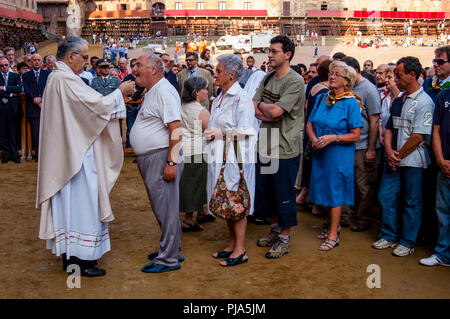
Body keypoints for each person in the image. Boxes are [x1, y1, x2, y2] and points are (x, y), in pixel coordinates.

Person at [37, 36, 135, 277]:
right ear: (70, 57)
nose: (85, 63)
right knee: (82, 205)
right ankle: (80, 261)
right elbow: (95, 108)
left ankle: (73, 256)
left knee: (74, 207)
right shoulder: (63, 79)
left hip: (72, 150)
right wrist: (120, 92)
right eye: (82, 57)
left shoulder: (60, 78)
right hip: (75, 158)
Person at [373, 56, 434, 257]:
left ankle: (408, 241)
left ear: (412, 75)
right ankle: (390, 235)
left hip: (413, 162)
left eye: (399, 75)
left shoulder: (425, 102)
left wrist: (396, 156)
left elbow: (418, 136)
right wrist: (390, 152)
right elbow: (390, 127)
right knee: (386, 197)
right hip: (395, 159)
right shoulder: (399, 99)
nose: (396, 79)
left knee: (411, 202)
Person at [130, 53, 185, 274]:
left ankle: (169, 258)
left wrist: (171, 162)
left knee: (166, 209)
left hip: (162, 156)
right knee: (163, 208)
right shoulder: (153, 90)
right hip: (153, 157)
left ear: (154, 69)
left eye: (139, 65)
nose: (134, 69)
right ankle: (172, 249)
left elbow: (176, 128)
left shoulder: (164, 90)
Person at [253, 36, 305, 259]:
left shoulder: (295, 81)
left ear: (288, 55)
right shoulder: (267, 78)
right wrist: (268, 109)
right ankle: (274, 232)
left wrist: (267, 109)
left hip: (284, 147)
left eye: (274, 51)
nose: (270, 55)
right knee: (267, 194)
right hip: (265, 144)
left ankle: (284, 239)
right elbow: (254, 109)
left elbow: (274, 113)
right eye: (270, 51)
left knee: (284, 195)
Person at [206, 54, 256, 266]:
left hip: (236, 158)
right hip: (219, 157)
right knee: (226, 199)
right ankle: (231, 244)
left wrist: (221, 134)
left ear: (232, 75)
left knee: (236, 202)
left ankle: (240, 249)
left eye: (218, 71)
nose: (214, 75)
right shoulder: (220, 96)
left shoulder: (241, 97)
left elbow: (247, 131)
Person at [307, 61, 363, 250]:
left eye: (337, 74)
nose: (331, 77)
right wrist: (314, 138)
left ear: (347, 81)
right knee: (322, 190)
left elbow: (355, 135)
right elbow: (309, 122)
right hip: (321, 152)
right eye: (331, 73)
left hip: (338, 154)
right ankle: (334, 225)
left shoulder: (351, 102)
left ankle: (333, 234)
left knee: (335, 193)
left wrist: (333, 138)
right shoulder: (324, 98)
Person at [342, 56, 382, 232]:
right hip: (348, 144)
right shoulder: (346, 88)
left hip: (364, 144)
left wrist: (371, 149)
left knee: (364, 186)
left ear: (354, 72)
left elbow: (374, 121)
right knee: (347, 183)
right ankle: (345, 216)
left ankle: (364, 218)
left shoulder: (369, 90)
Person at [419, 87, 450, 267]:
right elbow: (436, 130)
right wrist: (440, 159)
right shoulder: (443, 96)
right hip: (444, 165)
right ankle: (443, 254)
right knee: (443, 211)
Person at [297, 60, 332, 213]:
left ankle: (304, 196)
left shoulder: (314, 86)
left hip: (308, 129)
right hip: (317, 132)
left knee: (309, 163)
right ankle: (316, 204)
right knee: (316, 166)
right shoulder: (325, 91)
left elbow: (306, 106)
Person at [179, 76, 213, 231]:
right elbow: (210, 133)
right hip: (197, 150)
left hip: (182, 149)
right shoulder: (201, 111)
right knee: (195, 184)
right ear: (197, 92)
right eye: (204, 89)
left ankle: (201, 211)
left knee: (190, 183)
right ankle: (188, 219)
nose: (207, 92)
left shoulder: (182, 106)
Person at [23, 54, 51, 161]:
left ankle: (46, 154)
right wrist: (35, 99)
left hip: (45, 106)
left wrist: (42, 99)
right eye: (34, 60)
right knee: (35, 132)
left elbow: (49, 88)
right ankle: (38, 154)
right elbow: (27, 89)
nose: (36, 62)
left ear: (42, 62)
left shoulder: (48, 74)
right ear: (31, 62)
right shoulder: (26, 75)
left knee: (46, 132)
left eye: (39, 60)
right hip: (33, 107)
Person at [0, 57, 22, 163]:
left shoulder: (15, 76)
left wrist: (4, 88)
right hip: (1, 107)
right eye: (1, 65)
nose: (4, 67)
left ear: (9, 65)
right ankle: (6, 154)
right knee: (3, 131)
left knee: (13, 131)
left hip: (13, 107)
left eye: (6, 65)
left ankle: (14, 154)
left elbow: (19, 89)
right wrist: (11, 92)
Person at [123, 58, 145, 149]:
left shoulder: (143, 77)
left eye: (137, 65)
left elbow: (144, 90)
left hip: (142, 106)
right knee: (130, 128)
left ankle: (140, 149)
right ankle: (129, 147)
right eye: (132, 65)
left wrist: (134, 95)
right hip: (130, 107)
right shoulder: (127, 78)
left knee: (142, 129)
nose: (134, 67)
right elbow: (124, 91)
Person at [379, 66, 400, 146]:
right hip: (385, 143)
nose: (386, 80)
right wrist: (381, 134)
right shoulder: (386, 99)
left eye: (389, 77)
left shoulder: (403, 98)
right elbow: (381, 119)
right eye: (386, 77)